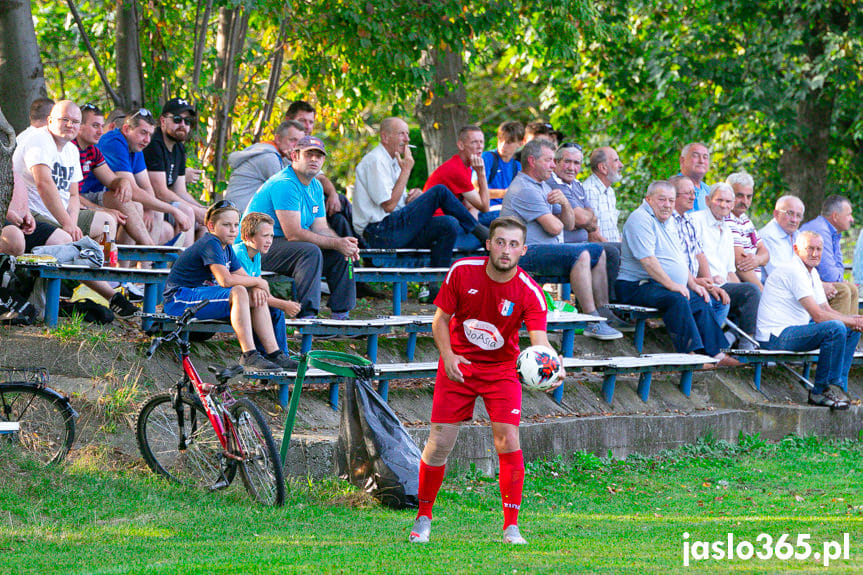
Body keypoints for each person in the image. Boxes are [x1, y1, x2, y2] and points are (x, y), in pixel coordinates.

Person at [408, 216, 564, 546]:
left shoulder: (530, 292)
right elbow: (440, 320)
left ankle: (511, 527)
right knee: (439, 444)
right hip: (458, 366)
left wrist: (554, 365)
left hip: (501, 372)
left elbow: (540, 340)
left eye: (513, 244)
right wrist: (448, 356)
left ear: (523, 250)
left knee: (508, 439)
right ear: (489, 244)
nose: (506, 250)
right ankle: (423, 518)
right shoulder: (462, 271)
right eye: (500, 242)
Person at [12, 100, 138, 318]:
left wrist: (72, 221)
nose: (70, 125)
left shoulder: (70, 150)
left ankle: (89, 283)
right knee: (68, 242)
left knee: (106, 222)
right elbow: (44, 185)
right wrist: (69, 224)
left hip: (60, 215)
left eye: (75, 121)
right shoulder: (38, 140)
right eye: (64, 120)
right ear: (50, 120)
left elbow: (72, 195)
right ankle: (112, 297)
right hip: (31, 214)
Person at [500, 139, 624, 339]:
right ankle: (590, 320)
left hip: (544, 250)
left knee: (598, 250)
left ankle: (602, 313)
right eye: (549, 160)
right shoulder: (525, 188)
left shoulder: (541, 186)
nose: (552, 165)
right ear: (532, 161)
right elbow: (555, 227)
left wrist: (565, 203)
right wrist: (566, 211)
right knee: (582, 254)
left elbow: (568, 222)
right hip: (524, 252)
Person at [615, 180, 739, 366]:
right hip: (635, 286)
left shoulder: (669, 221)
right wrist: (672, 284)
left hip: (657, 285)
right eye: (662, 199)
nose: (667, 205)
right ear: (649, 199)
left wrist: (693, 284)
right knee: (676, 297)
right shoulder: (640, 219)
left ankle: (717, 355)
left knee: (700, 297)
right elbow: (648, 261)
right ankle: (690, 355)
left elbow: (679, 259)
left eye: (671, 201)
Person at [163, 201, 296, 371]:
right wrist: (257, 282)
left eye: (235, 224)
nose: (233, 230)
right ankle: (249, 355)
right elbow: (225, 281)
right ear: (211, 225)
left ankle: (274, 354)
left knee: (253, 293)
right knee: (240, 290)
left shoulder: (227, 248)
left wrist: (256, 286)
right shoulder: (210, 243)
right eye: (227, 225)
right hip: (179, 299)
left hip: (201, 297)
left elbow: (244, 277)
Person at [242, 135, 357, 319]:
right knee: (309, 251)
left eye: (318, 156)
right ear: (295, 156)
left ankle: (341, 317)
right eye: (308, 154)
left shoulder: (316, 187)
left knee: (341, 254)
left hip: (280, 244)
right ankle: (306, 318)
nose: (314, 159)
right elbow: (294, 233)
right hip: (253, 247)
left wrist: (343, 243)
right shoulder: (285, 184)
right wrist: (336, 243)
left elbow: (321, 228)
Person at [353, 117, 488, 272]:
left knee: (449, 223)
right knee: (440, 191)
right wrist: (406, 170)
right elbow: (389, 205)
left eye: (408, 134)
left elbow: (398, 203)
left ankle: (436, 286)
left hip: (394, 229)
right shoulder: (375, 161)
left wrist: (416, 198)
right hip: (378, 233)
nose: (407, 139)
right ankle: (480, 232)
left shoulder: (394, 161)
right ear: (385, 137)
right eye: (401, 134)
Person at [756, 231, 862, 409]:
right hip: (775, 336)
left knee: (849, 329)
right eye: (810, 248)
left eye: (819, 249)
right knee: (836, 327)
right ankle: (820, 391)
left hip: (794, 332)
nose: (815, 253)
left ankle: (838, 387)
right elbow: (818, 316)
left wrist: (855, 320)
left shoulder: (811, 273)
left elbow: (826, 309)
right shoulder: (793, 270)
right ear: (796, 249)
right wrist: (852, 320)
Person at [81, 108, 194, 246]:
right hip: (86, 197)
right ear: (127, 129)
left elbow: (147, 187)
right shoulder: (114, 141)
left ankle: (143, 263)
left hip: (103, 196)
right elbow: (132, 190)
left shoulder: (136, 146)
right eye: (143, 133)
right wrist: (173, 210)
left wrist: (150, 209)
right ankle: (150, 250)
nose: (147, 140)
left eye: (150, 135)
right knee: (125, 198)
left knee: (153, 211)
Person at [547, 142, 621, 301]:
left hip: (582, 242)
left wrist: (585, 219)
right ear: (557, 162)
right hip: (565, 245)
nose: (571, 168)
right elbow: (579, 219)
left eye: (576, 163)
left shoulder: (577, 185)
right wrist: (585, 219)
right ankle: (609, 308)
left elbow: (591, 218)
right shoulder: (553, 183)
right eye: (567, 161)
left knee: (622, 250)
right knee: (612, 252)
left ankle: (617, 307)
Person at [74, 103, 154, 248]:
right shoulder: (70, 149)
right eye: (95, 126)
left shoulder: (92, 150)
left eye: (101, 126)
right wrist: (101, 209)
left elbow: (112, 180)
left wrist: (122, 182)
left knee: (136, 205)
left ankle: (128, 267)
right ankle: (153, 250)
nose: (100, 131)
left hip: (82, 201)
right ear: (79, 126)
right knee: (116, 207)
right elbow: (69, 195)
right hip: (69, 207)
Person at [691, 182, 761, 345]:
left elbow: (730, 272)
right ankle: (745, 342)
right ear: (708, 200)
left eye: (728, 202)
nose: (724, 205)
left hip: (723, 283)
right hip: (703, 283)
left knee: (751, 294)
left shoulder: (728, 230)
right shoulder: (696, 221)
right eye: (719, 200)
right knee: (751, 291)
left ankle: (731, 337)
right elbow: (692, 256)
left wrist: (742, 291)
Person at [283, 100, 356, 240]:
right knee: (339, 208)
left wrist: (333, 193)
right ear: (288, 120)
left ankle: (358, 253)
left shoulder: (306, 146)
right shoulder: (285, 146)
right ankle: (365, 252)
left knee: (339, 214)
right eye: (302, 120)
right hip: (291, 211)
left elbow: (320, 177)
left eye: (311, 122)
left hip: (309, 207)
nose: (307, 126)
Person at [232, 211, 300, 360]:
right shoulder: (238, 253)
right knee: (273, 308)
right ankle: (269, 355)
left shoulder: (255, 255)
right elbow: (253, 291)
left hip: (249, 300)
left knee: (273, 310)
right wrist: (284, 304)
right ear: (247, 237)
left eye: (271, 236)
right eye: (265, 236)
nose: (269, 241)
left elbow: (260, 289)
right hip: (235, 301)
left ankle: (280, 355)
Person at [670, 176, 730, 325]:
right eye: (688, 193)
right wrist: (695, 282)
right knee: (705, 299)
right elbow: (674, 260)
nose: (693, 197)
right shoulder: (668, 221)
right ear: (674, 196)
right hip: (677, 282)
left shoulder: (689, 220)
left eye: (694, 193)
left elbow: (699, 254)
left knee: (721, 300)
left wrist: (709, 284)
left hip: (693, 281)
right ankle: (708, 345)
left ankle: (706, 344)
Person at [423, 125, 491, 249]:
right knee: (496, 235)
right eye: (474, 142)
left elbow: (472, 205)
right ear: (461, 145)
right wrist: (481, 174)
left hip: (458, 222)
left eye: (481, 142)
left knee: (500, 221)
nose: (480, 146)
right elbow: (485, 207)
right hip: (442, 228)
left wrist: (473, 212)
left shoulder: (465, 167)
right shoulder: (455, 169)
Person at [143, 98, 208, 228]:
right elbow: (160, 192)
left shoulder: (179, 148)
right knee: (188, 212)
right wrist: (195, 210)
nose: (183, 124)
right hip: (152, 206)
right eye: (177, 119)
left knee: (207, 222)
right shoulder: (154, 144)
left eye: (188, 121)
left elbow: (180, 191)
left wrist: (203, 209)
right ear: (163, 121)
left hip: (166, 204)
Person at [224, 120, 305, 211]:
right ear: (278, 139)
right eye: (292, 140)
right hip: (240, 217)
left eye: (300, 143)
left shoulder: (269, 152)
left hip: (239, 213)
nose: (296, 146)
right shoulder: (269, 158)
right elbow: (288, 192)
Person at [799, 195, 858, 316]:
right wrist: (840, 280)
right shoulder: (819, 229)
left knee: (852, 289)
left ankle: (850, 332)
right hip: (804, 285)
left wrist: (840, 279)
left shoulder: (832, 232)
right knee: (842, 290)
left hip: (816, 283)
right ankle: (836, 333)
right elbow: (830, 274)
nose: (852, 219)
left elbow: (838, 268)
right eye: (848, 215)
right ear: (835, 216)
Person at [725, 172, 769, 288]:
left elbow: (764, 252)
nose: (745, 201)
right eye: (740, 195)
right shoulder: (727, 219)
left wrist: (758, 259)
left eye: (749, 196)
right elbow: (740, 264)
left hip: (755, 285)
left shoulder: (746, 220)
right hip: (742, 287)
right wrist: (761, 291)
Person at [481, 121, 524, 218]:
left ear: (520, 143)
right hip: (487, 210)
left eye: (509, 142)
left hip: (508, 210)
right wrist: (504, 193)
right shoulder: (487, 158)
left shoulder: (517, 167)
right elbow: (476, 190)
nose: (503, 145)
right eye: (501, 140)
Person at [582, 146, 623, 243]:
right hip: (604, 252)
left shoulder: (610, 191)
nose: (621, 165)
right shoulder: (590, 190)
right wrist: (615, 252)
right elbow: (593, 236)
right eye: (616, 161)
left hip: (613, 250)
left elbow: (613, 232)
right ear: (603, 168)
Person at [759, 195, 805, 277]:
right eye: (790, 213)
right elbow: (779, 275)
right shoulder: (768, 236)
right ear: (776, 214)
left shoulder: (798, 235)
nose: (794, 220)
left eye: (798, 216)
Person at [677, 142, 711, 211]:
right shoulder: (672, 188)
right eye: (696, 156)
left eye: (705, 157)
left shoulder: (708, 191)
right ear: (682, 160)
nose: (701, 161)